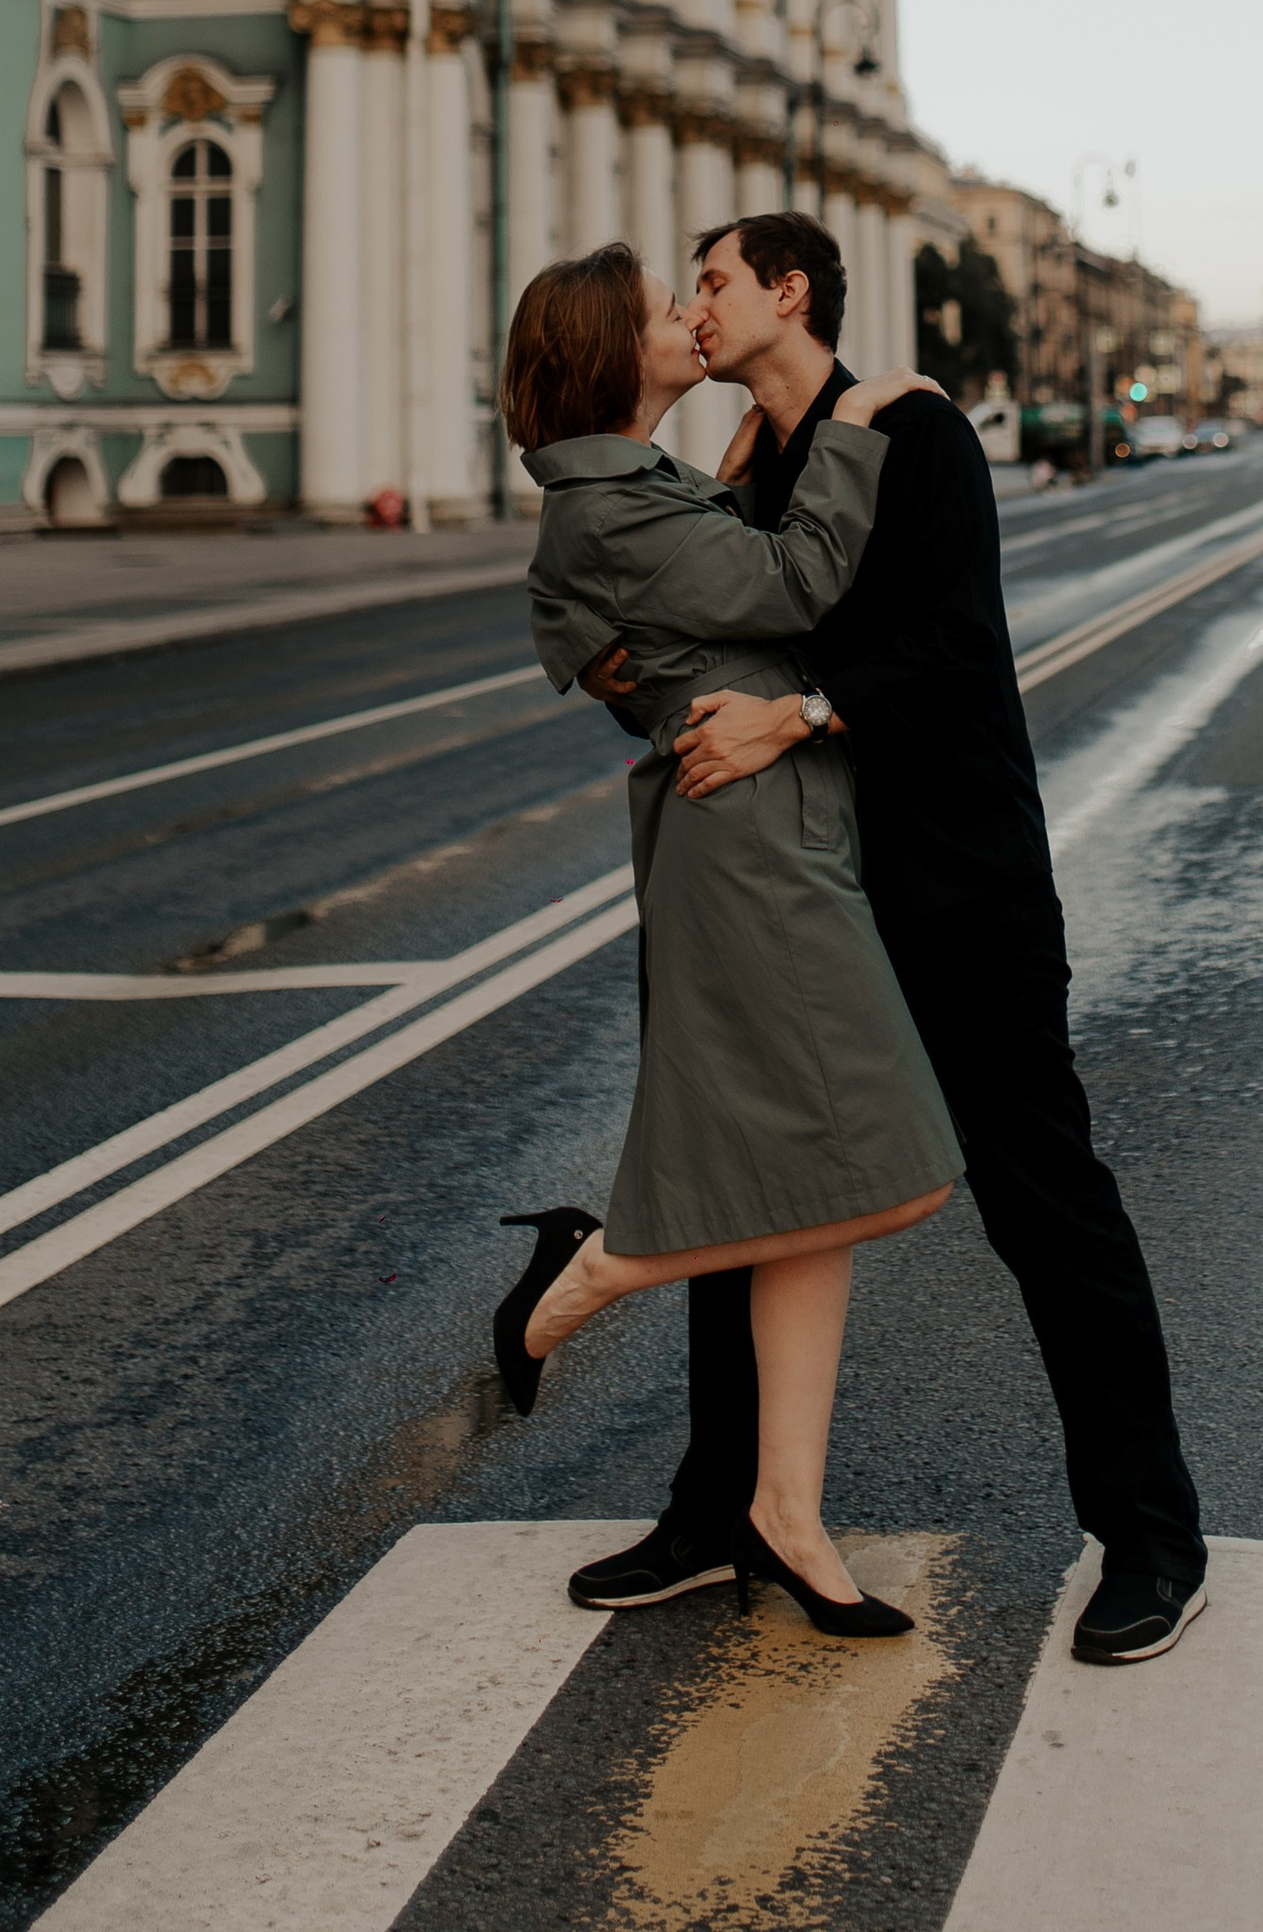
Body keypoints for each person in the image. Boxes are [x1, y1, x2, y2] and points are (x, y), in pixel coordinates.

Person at [568, 212, 1212, 1667]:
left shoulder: (910, 430)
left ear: (789, 292)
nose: (696, 303)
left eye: (716, 279)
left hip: (957, 882)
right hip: (806, 899)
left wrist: (799, 713)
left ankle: (1154, 1535)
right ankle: (720, 1513)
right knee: (750, 1194)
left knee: (1043, 1201)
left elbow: (956, 648)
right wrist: (634, 678)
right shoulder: (741, 472)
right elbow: (693, 653)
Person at [500, 241, 959, 1638]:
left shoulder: (632, 489)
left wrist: (756, 451)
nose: (688, 316)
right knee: (892, 1168)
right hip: (747, 844)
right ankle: (589, 1272)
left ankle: (787, 1513)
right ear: (604, 353)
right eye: (663, 309)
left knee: (812, 1179)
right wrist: (863, 428)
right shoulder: (611, 504)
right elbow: (796, 586)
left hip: (776, 819)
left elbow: (647, 619)